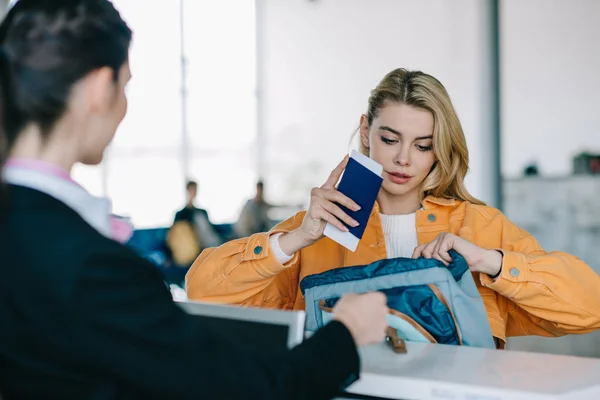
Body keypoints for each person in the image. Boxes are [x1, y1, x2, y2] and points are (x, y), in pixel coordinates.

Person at [0, 1, 389, 399]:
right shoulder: (91, 268)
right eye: (126, 85)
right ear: (100, 88)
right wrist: (346, 334)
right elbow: (252, 391)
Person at [186, 67, 600, 348]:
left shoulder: (478, 226)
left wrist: (488, 261)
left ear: (440, 149)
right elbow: (202, 290)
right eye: (390, 139)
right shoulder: (318, 228)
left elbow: (590, 308)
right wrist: (294, 239)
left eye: (423, 145)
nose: (404, 159)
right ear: (366, 131)